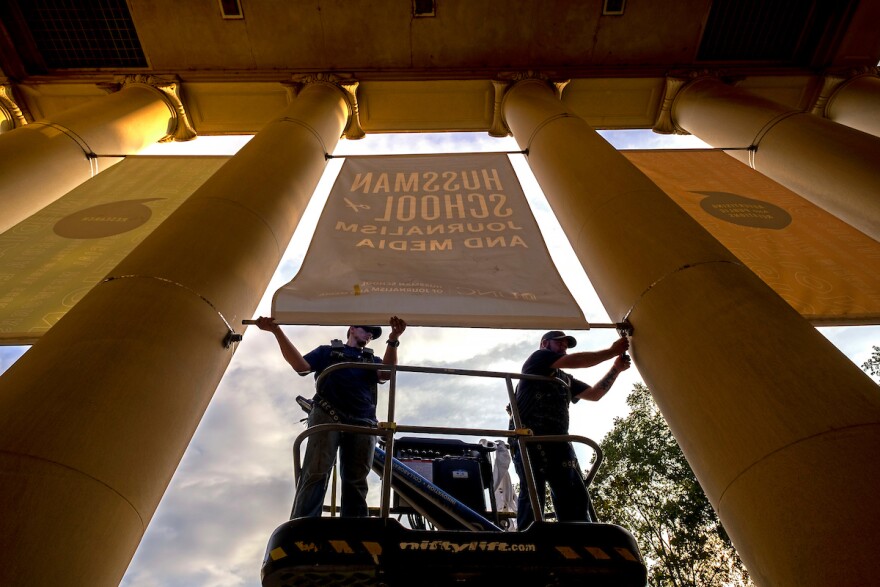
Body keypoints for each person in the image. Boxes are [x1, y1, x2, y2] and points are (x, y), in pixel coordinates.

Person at [255, 316, 407, 518]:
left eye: (373, 333)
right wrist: (277, 331)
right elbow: (301, 366)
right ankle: (305, 523)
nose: (370, 334)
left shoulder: (372, 361)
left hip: (363, 422)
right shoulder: (326, 353)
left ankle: (355, 529)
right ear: (352, 328)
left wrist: (394, 338)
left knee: (356, 479)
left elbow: (387, 373)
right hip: (328, 414)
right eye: (366, 329)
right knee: (316, 472)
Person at [511, 330, 630, 529]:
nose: (564, 347)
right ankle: (529, 540)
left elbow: (594, 394)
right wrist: (612, 351)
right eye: (559, 343)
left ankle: (578, 537)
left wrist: (616, 369)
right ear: (544, 344)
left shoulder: (565, 379)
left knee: (573, 493)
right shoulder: (538, 359)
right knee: (533, 492)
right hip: (529, 437)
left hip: (558, 440)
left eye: (566, 344)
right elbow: (580, 360)